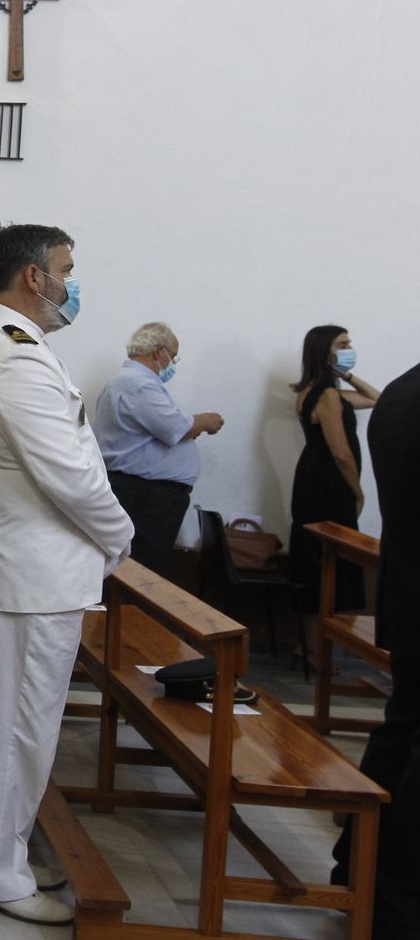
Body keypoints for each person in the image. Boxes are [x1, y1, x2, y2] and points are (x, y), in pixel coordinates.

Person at [0, 224, 133, 927]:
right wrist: (121, 536)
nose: (70, 283)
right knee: (15, 732)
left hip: (16, 566)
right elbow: (72, 476)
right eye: (65, 269)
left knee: (5, 726)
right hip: (28, 573)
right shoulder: (14, 355)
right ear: (34, 276)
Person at [331, 359, 420, 934]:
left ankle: (356, 872)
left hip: (406, 598)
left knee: (401, 730)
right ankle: (398, 903)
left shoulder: (402, 393)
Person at [94, 322, 224, 577]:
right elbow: (175, 428)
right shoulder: (137, 383)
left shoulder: (132, 382)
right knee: (143, 568)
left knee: (143, 564)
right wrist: (206, 421)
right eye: (173, 357)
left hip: (147, 491)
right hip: (146, 494)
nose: (172, 364)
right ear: (159, 351)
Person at [289, 325, 381, 611]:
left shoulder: (314, 391)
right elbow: (341, 454)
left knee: (317, 550)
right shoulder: (327, 395)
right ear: (324, 352)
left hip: (312, 478)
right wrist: (359, 493)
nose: (350, 349)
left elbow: (377, 399)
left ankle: (314, 629)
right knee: (331, 552)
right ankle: (323, 630)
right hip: (328, 483)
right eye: (343, 345)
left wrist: (346, 375)